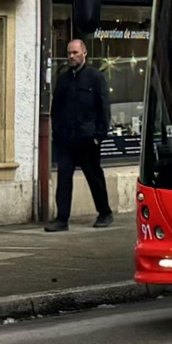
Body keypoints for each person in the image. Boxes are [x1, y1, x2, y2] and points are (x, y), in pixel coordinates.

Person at [46, 38, 114, 231]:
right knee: (64, 179)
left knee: (94, 178)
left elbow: (104, 108)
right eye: (69, 53)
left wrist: (98, 136)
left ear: (84, 53)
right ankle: (62, 219)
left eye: (75, 53)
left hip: (87, 140)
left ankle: (105, 213)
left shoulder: (95, 77)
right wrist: (57, 134)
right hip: (67, 141)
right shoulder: (64, 79)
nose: (71, 56)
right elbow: (56, 108)